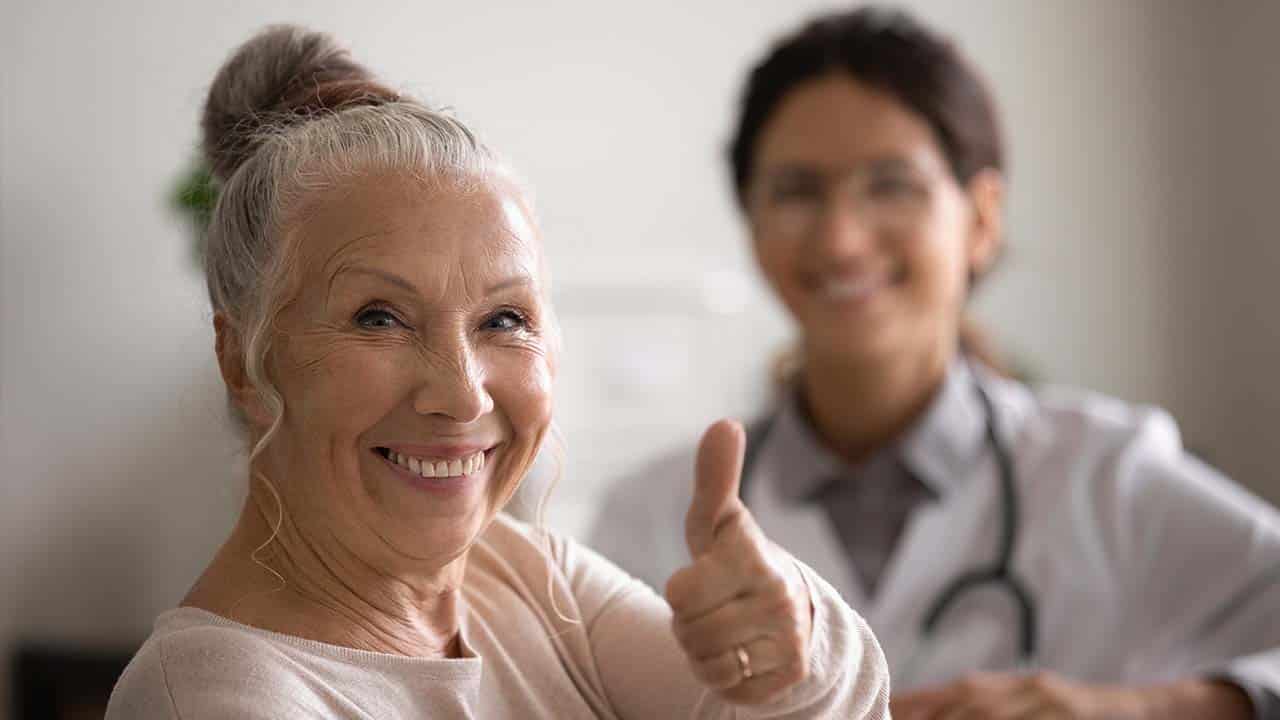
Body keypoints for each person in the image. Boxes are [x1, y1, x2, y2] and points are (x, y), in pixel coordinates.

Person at [104, 25, 891, 719]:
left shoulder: (527, 580)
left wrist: (796, 646)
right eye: (378, 317)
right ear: (241, 358)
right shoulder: (217, 698)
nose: (461, 392)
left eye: (503, 320)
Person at [588, 7, 1280, 719]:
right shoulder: (647, 519)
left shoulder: (1106, 478)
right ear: (751, 221)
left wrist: (1136, 710)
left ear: (981, 218)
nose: (842, 242)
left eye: (891, 184)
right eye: (797, 191)